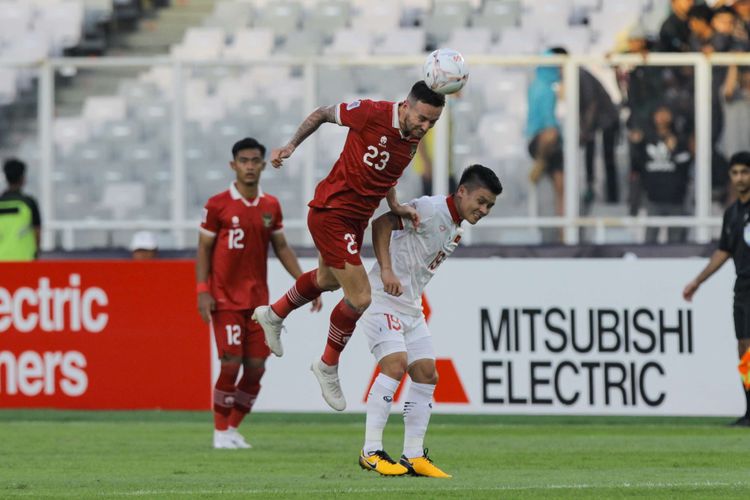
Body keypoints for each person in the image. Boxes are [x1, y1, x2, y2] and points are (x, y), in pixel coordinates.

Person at [252, 81, 445, 411]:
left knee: (327, 280)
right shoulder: (371, 112)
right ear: (406, 106)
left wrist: (395, 205)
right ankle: (327, 364)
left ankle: (274, 313)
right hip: (332, 212)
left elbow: (386, 176)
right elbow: (323, 114)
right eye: (423, 118)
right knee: (360, 296)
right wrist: (290, 146)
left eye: (432, 123)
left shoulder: (410, 143)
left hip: (355, 222)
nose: (425, 127)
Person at [357, 164, 502, 478]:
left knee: (426, 374)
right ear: (461, 191)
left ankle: (412, 455)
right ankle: (370, 451)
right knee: (395, 365)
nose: (484, 209)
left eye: (489, 205)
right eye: (480, 200)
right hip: (382, 299)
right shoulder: (430, 209)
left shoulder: (455, 227)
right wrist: (385, 270)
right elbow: (381, 224)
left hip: (410, 307)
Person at [196, 137, 322, 449]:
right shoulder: (217, 205)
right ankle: (219, 431)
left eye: (255, 161)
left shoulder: (270, 206)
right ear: (233, 165)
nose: (249, 166)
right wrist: (202, 290)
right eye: (244, 161)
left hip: (258, 304)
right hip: (224, 298)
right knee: (230, 362)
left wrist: (308, 283)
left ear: (264, 165)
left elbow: (281, 247)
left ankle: (231, 429)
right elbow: (204, 249)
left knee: (255, 369)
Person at [683, 151, 750, 427]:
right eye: (735, 173)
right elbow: (724, 252)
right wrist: (698, 281)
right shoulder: (732, 214)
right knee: (744, 349)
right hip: (744, 287)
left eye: (744, 172)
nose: (739, 178)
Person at [631, 105, 692, 243]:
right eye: (659, 113)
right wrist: (635, 144)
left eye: (665, 113)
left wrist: (674, 150)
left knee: (676, 243)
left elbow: (686, 163)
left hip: (676, 198)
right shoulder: (646, 139)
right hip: (653, 198)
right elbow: (637, 166)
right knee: (650, 241)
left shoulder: (679, 139)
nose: (662, 117)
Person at [526, 49, 564, 217]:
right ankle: (541, 160)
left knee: (561, 186)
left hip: (550, 144)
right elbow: (546, 120)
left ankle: (564, 232)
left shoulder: (543, 85)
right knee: (551, 133)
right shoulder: (543, 88)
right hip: (541, 139)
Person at [0, 158, 41, 261]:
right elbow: (37, 232)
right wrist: (36, 253)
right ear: (23, 178)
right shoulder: (29, 203)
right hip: (24, 260)